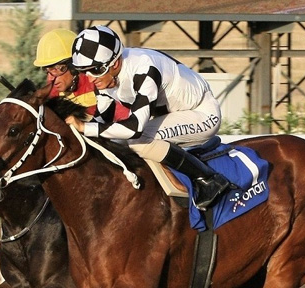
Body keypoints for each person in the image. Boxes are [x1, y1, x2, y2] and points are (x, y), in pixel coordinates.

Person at [65, 25, 230, 211]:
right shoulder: (105, 76)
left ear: (115, 63)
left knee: (138, 141)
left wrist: (83, 127)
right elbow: (103, 124)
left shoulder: (144, 67)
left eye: (94, 70)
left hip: (203, 114)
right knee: (114, 140)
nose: (90, 78)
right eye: (84, 71)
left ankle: (208, 179)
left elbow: (135, 128)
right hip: (175, 115)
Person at [34, 28, 100, 117]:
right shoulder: (53, 92)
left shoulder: (98, 82)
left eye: (55, 69)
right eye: (47, 71)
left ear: (73, 67)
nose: (50, 78)